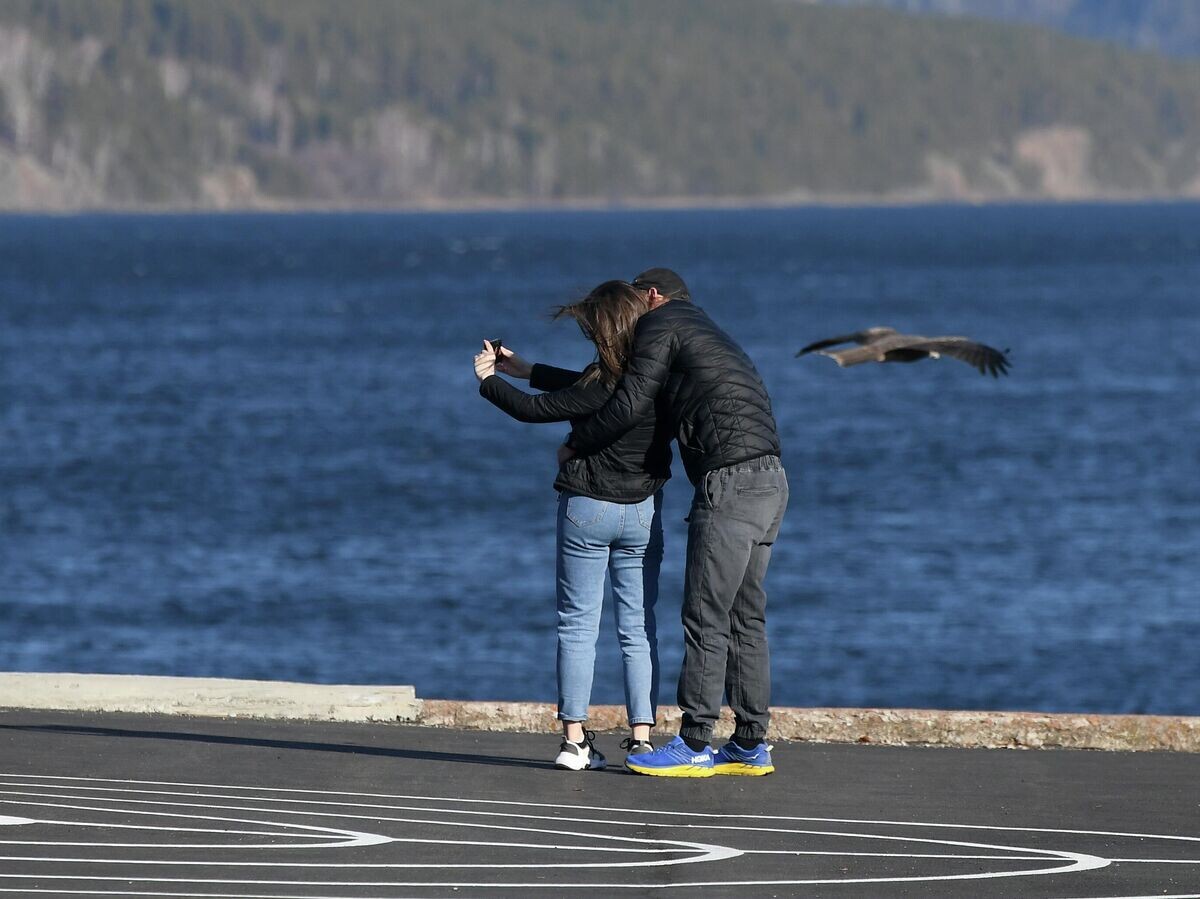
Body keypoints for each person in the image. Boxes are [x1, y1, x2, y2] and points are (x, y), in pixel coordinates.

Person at [559, 268, 788, 777]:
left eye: (638, 300)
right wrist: (530, 370)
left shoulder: (660, 324)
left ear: (654, 295)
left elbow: (629, 400)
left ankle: (694, 741)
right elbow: (613, 388)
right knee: (746, 616)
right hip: (771, 478)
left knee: (704, 615)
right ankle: (750, 742)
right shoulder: (705, 328)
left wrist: (575, 445)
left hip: (728, 482)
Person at [473, 280, 672, 771]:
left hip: (588, 507)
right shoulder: (656, 378)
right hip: (641, 509)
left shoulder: (601, 381)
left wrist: (488, 381)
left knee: (578, 624)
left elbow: (533, 410)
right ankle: (643, 739)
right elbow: (581, 388)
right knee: (637, 626)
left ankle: (575, 741)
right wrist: (524, 368)